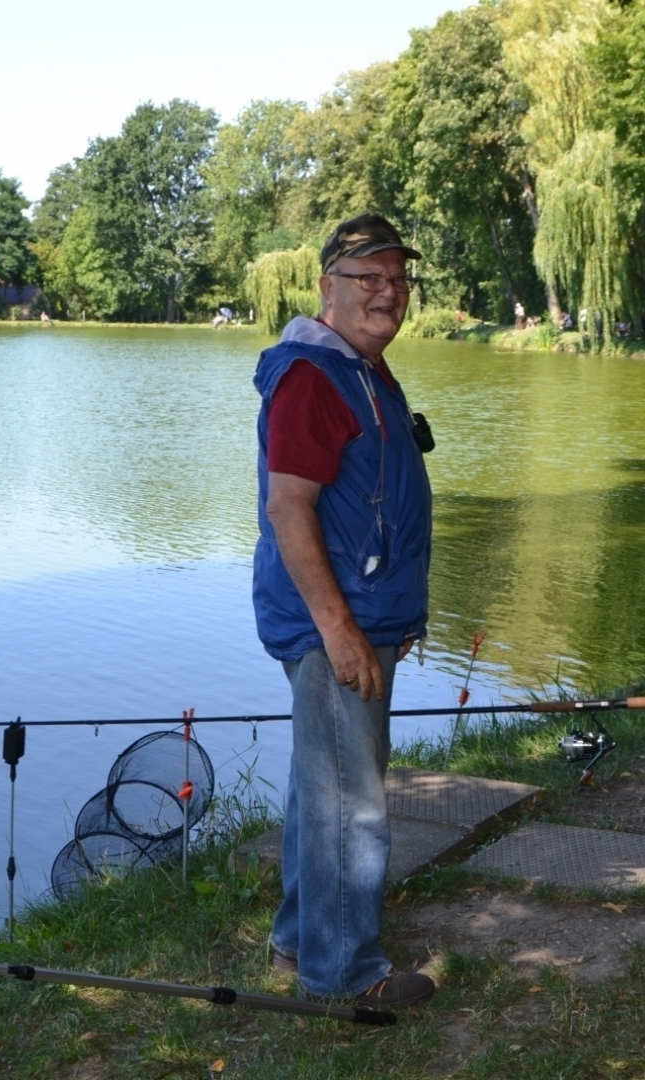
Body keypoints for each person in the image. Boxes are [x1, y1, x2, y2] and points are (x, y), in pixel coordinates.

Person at [252, 213, 436, 1007]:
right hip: (336, 628)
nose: (386, 292)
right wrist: (340, 630)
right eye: (367, 278)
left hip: (367, 620)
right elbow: (288, 510)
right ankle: (344, 976)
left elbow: (374, 505)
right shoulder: (312, 378)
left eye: (396, 279)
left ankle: (301, 943)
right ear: (327, 287)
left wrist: (396, 613)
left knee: (319, 786)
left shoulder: (363, 370)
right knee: (349, 804)